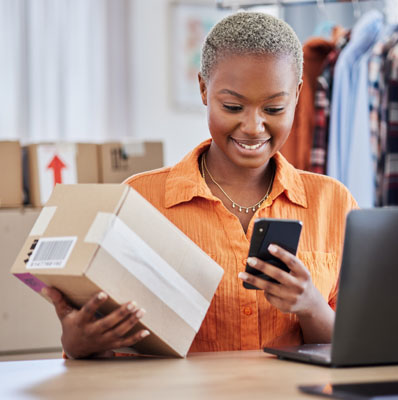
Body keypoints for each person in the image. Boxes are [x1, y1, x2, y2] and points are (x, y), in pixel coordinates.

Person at [43, 11, 357, 359]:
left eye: (274, 107)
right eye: (233, 106)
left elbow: (358, 347)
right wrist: (77, 346)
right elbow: (114, 352)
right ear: (204, 89)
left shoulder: (334, 203)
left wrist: (311, 306)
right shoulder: (140, 201)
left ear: (298, 95)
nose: (253, 126)